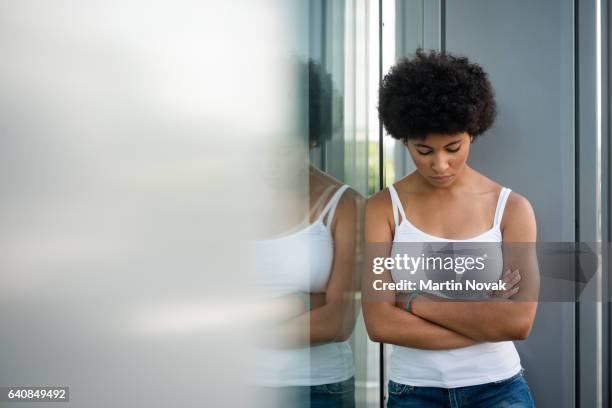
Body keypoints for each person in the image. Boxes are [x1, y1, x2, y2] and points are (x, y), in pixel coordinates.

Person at [362, 49, 539, 407]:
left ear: (473, 132)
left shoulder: (512, 209)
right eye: (423, 150)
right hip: (413, 392)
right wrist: (485, 320)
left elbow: (518, 322)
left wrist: (414, 302)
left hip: (498, 390)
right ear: (405, 140)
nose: (440, 164)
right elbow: (380, 324)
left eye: (453, 148)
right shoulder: (382, 209)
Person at [252, 59, 363, 408]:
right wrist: (303, 301)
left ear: (313, 138)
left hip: (317, 389)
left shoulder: (346, 207)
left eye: (284, 148)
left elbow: (338, 322)